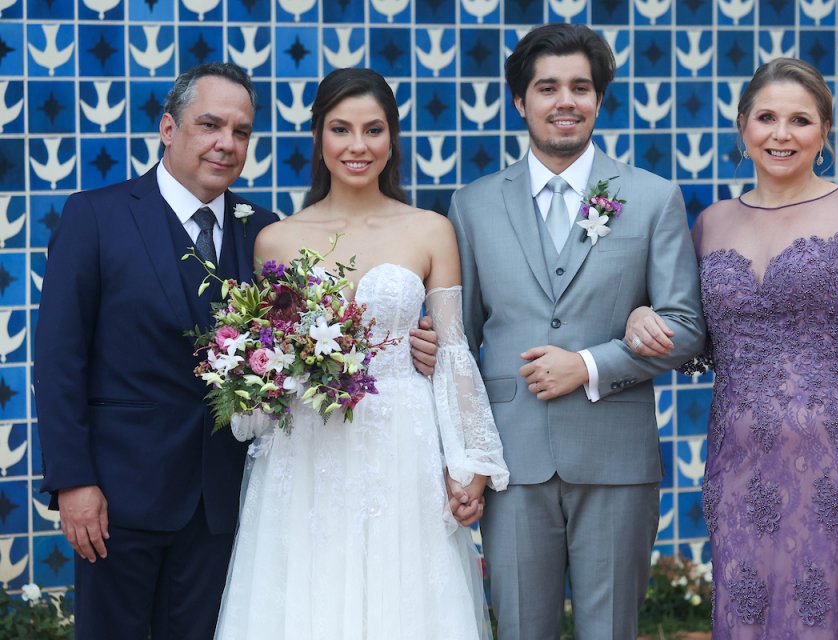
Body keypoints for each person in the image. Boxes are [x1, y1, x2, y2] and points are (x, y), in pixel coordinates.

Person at [32, 62, 439, 640]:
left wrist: (415, 343)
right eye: (210, 125)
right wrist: (74, 483)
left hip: (225, 498)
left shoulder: (265, 232)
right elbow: (58, 361)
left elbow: (321, 337)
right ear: (168, 129)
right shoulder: (95, 216)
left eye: (242, 131)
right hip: (120, 498)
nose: (226, 143)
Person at [628, 57, 838, 638]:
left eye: (801, 120)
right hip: (737, 459)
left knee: (828, 610)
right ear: (742, 126)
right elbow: (681, 320)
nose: (781, 133)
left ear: (823, 135)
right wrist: (642, 313)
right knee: (747, 606)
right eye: (766, 117)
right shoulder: (711, 223)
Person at [213, 67, 509, 639]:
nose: (357, 146)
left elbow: (451, 352)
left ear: (391, 139)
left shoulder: (430, 230)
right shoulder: (275, 239)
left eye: (373, 130)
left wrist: (468, 463)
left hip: (403, 442)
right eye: (340, 129)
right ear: (319, 140)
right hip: (306, 449)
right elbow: (264, 358)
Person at [448, 24, 705, 639]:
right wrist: (465, 457)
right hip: (512, 460)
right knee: (518, 629)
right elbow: (458, 342)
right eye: (548, 87)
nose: (566, 101)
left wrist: (589, 366)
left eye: (581, 87)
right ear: (520, 101)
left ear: (598, 98)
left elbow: (688, 327)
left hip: (616, 457)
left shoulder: (650, 197)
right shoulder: (473, 204)